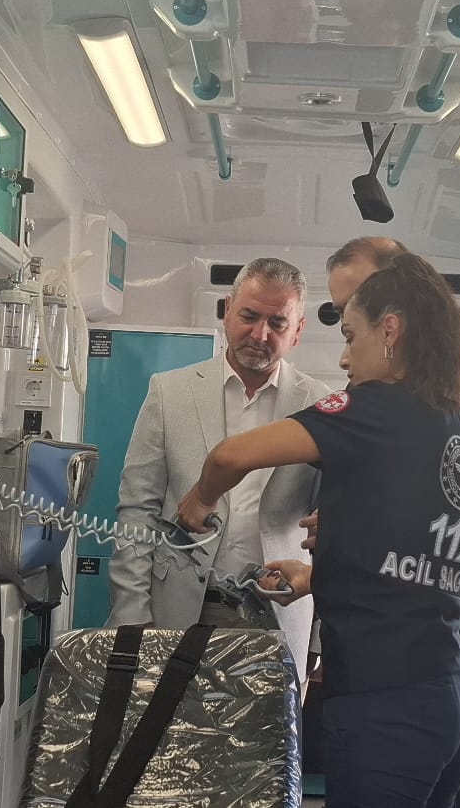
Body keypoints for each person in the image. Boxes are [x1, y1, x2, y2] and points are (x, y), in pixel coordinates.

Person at [176, 254, 460, 808]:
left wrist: (200, 499)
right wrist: (316, 577)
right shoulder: (458, 427)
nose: (345, 358)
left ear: (389, 331)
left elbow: (230, 456)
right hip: (455, 692)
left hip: (386, 704)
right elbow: (414, 558)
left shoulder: (370, 408)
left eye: (351, 336)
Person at [321, 236, 460, 808]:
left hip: (456, 610)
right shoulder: (370, 378)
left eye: (359, 300)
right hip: (381, 620)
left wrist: (398, 520)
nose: (351, 321)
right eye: (341, 312)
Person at [106, 257, 332, 672]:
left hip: (279, 614)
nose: (260, 334)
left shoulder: (321, 406)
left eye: (277, 323)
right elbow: (138, 510)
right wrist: (131, 616)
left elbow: (332, 526)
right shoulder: (169, 393)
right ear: (228, 311)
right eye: (249, 316)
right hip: (179, 612)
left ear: (298, 331)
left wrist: (320, 635)